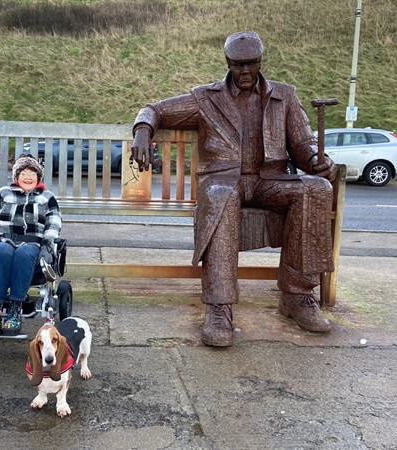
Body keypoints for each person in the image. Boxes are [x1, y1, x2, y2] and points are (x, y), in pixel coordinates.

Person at [131, 31, 338, 347]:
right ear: (227, 62)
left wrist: (317, 160)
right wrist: (143, 131)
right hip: (223, 181)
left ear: (260, 61)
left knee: (316, 189)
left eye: (251, 64)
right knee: (220, 196)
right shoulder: (206, 98)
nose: (244, 71)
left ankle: (297, 296)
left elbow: (303, 143)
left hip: (270, 182)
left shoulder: (285, 96)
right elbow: (154, 109)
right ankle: (219, 307)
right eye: (238, 64)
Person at [0, 155, 62, 336]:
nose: (28, 177)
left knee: (24, 255)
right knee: (1, 252)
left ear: (39, 177)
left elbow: (54, 222)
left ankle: (16, 308)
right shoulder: (4, 193)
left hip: (32, 242)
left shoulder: (47, 197)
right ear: (16, 176)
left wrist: (48, 244)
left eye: (32, 173)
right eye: (23, 173)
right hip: (4, 239)